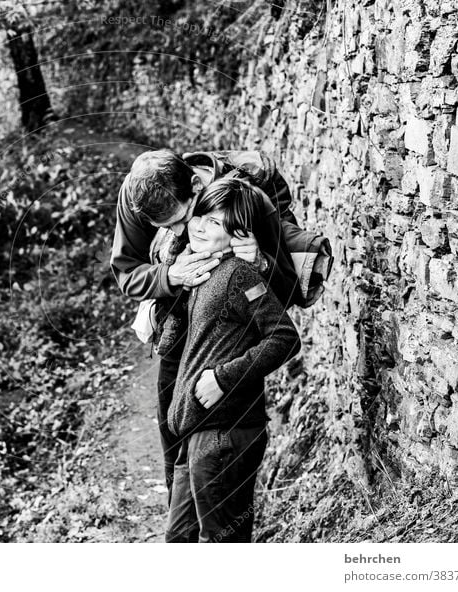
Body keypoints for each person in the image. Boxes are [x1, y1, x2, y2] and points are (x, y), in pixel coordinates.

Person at [110, 148, 321, 506]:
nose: (181, 233)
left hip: (229, 343)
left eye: (183, 218)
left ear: (196, 184)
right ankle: (181, 526)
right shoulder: (134, 196)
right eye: (166, 229)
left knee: (218, 459)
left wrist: (260, 262)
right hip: (175, 331)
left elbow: (286, 294)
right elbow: (127, 272)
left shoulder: (247, 199)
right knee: (173, 430)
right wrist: (168, 274)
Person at [163, 177, 302, 543]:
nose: (200, 225)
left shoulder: (239, 275)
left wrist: (224, 378)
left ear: (239, 234)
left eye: (215, 222)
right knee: (179, 541)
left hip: (224, 435)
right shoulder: (203, 272)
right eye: (201, 214)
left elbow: (284, 338)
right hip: (194, 432)